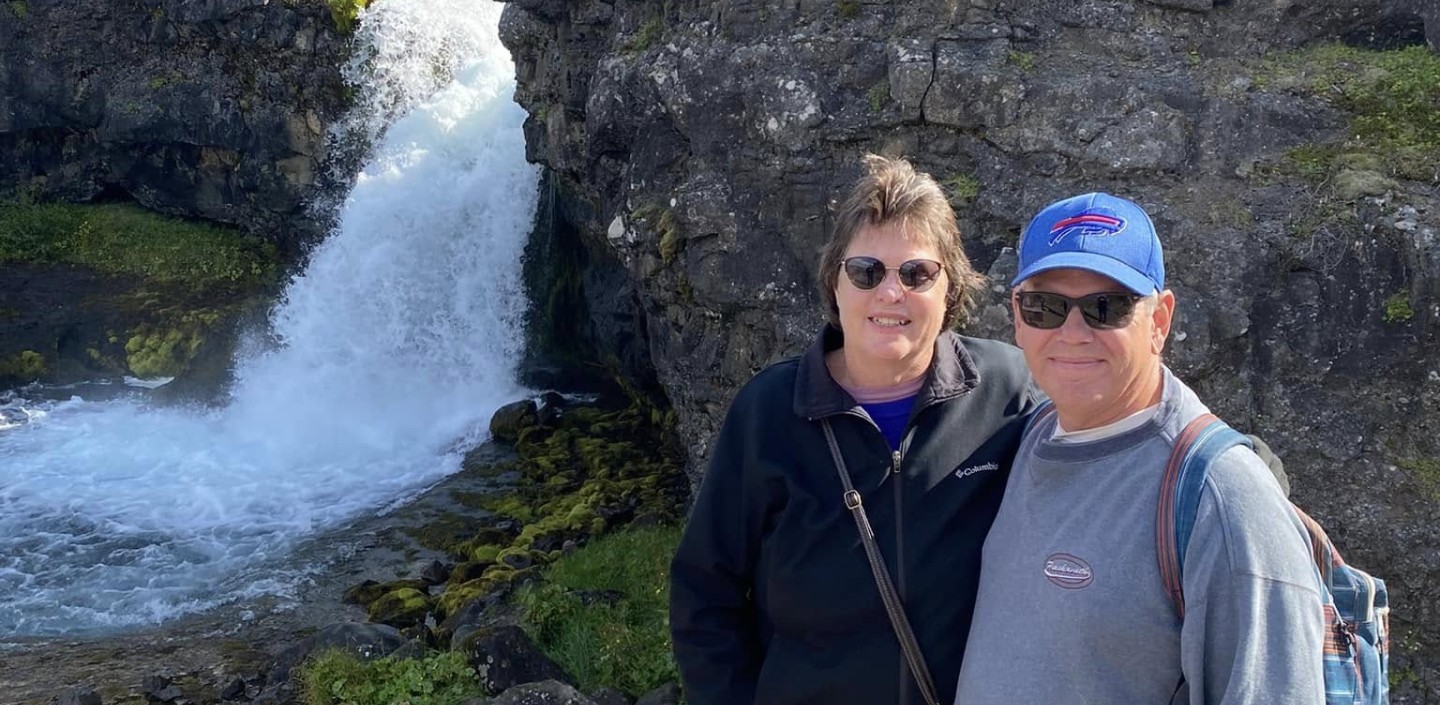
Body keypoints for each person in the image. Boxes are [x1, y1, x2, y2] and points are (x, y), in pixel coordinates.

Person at [668, 154, 1042, 705]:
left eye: (917, 273)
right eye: (866, 271)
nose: (890, 292)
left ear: (950, 288)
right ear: (835, 282)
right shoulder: (768, 413)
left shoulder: (1007, 391)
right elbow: (704, 593)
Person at [951, 193, 1324, 704]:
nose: (1073, 333)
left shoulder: (1223, 499)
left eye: (1107, 307)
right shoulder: (1029, 435)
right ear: (1017, 315)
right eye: (1046, 307)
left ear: (1160, 320)